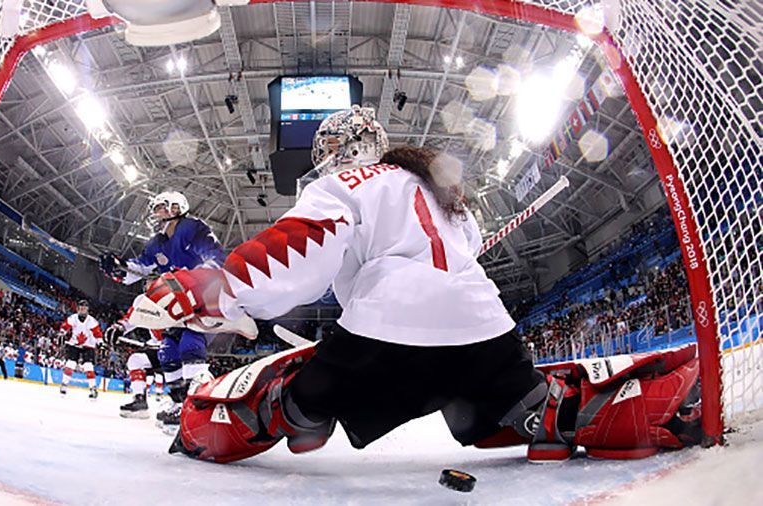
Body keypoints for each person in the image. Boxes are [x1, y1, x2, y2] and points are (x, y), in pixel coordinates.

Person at [125, 105, 703, 464]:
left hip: (385, 335)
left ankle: (214, 429)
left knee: (290, 405)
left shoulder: (346, 185)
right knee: (519, 411)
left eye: (326, 149)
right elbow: (466, 253)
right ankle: (644, 407)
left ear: (344, 150)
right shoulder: (443, 193)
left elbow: (301, 251)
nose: (323, 159)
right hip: (485, 330)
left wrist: (217, 286)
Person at [100, 191, 227, 428]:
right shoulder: (156, 243)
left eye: (161, 207)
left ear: (177, 208)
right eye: (155, 207)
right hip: (177, 305)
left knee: (190, 344)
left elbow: (217, 259)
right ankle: (180, 404)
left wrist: (193, 278)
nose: (156, 212)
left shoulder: (192, 228)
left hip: (201, 299)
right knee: (168, 351)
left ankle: (200, 404)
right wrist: (118, 267)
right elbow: (139, 269)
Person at [58, 300, 103, 398]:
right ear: (78, 308)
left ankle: (93, 388)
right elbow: (65, 327)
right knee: (71, 363)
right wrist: (62, 333)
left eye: (85, 307)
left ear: (87, 309)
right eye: (81, 307)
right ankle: (64, 385)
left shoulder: (92, 321)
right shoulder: (72, 318)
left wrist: (100, 341)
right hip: (73, 344)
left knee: (88, 366)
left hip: (88, 345)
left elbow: (97, 333)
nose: (82, 309)